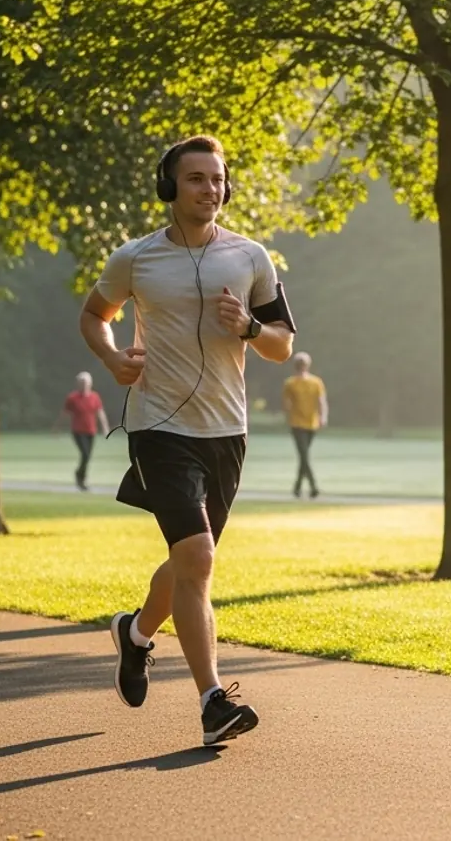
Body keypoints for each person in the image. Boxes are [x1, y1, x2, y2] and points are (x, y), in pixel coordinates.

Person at [80, 135, 296, 746]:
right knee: (199, 558)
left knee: (187, 563)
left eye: (218, 178)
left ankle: (136, 633)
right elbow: (94, 314)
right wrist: (113, 356)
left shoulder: (251, 257)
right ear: (169, 187)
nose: (210, 189)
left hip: (226, 432)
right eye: (196, 178)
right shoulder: (135, 258)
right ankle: (212, 702)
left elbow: (282, 344)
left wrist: (249, 326)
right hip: (157, 426)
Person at [282, 352, 327, 499]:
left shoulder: (293, 383)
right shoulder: (313, 382)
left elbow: (287, 405)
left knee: (304, 457)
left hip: (303, 423)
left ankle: (298, 487)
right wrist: (322, 417)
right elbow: (321, 402)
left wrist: (322, 416)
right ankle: (313, 487)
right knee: (304, 456)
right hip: (304, 423)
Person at [56, 371, 110, 491]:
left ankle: (80, 476)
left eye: (86, 383)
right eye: (82, 383)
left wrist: (105, 428)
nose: (84, 385)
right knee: (85, 455)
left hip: (91, 430)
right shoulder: (72, 398)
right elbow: (64, 413)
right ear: (78, 384)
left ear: (90, 384)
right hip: (78, 431)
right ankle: (81, 478)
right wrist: (58, 428)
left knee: (88, 456)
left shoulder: (95, 397)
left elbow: (100, 412)